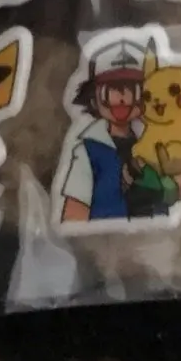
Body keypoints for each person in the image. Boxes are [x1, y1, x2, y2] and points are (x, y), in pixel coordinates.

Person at [59, 40, 145, 223]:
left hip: (157, 235)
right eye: (110, 92)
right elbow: (75, 211)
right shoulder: (87, 151)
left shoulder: (152, 146)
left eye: (134, 91)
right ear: (93, 98)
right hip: (103, 237)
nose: (122, 99)